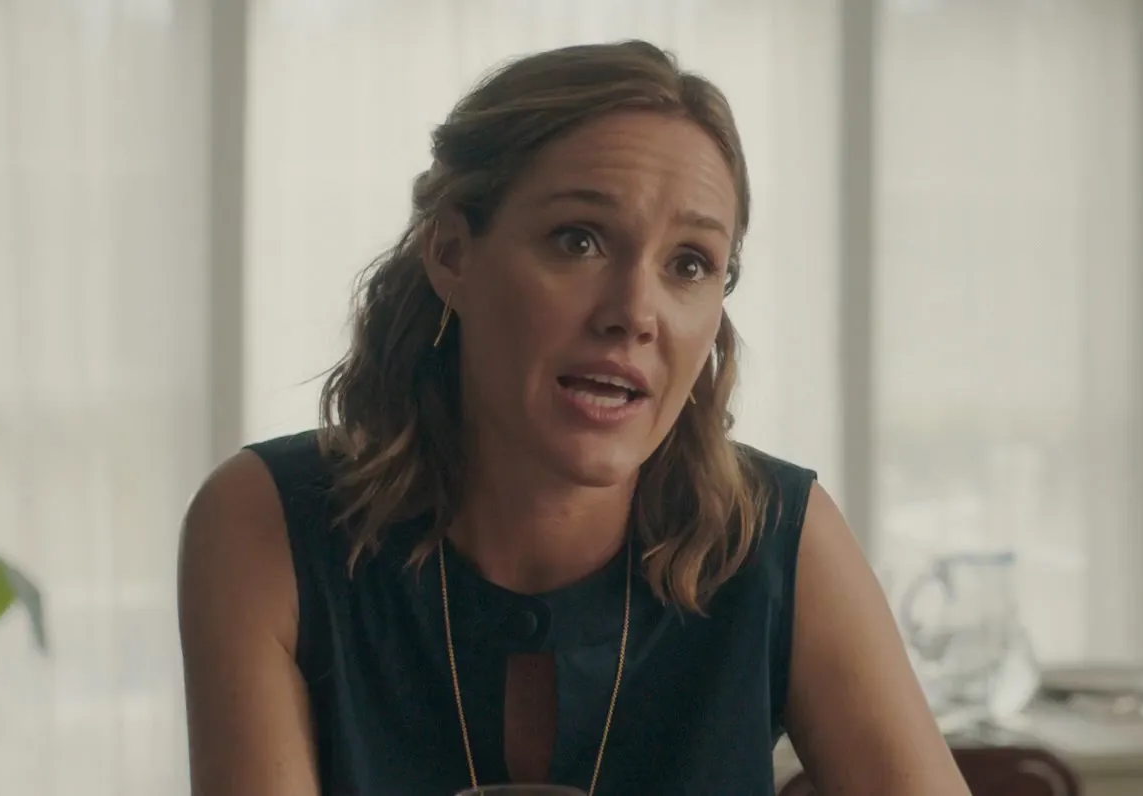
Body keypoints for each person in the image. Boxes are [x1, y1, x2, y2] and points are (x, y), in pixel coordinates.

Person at [177, 40, 967, 796]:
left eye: (689, 263)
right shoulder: (267, 524)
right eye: (578, 240)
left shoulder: (780, 539)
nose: (635, 312)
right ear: (451, 254)